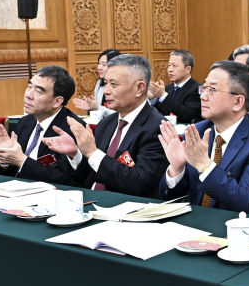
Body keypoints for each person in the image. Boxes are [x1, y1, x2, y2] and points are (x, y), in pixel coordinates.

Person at [158, 61, 249, 215]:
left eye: (212, 90)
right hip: (197, 222)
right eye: (203, 88)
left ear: (237, 102)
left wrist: (205, 165)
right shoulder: (198, 131)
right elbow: (169, 198)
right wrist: (177, 169)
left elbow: (247, 202)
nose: (203, 96)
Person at [43, 54, 166, 196]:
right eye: (105, 83)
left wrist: (92, 152)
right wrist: (75, 154)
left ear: (139, 88)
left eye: (114, 84)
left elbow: (139, 183)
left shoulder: (158, 128)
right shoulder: (106, 124)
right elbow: (91, 174)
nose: (106, 91)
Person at [0, 66, 85, 183]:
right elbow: (15, 173)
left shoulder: (73, 129)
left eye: (39, 91)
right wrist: (5, 159)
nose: (28, 95)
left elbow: (66, 179)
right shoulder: (25, 122)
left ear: (57, 101)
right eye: (29, 87)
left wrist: (22, 160)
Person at [149, 49, 201, 124]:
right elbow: (158, 113)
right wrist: (152, 99)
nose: (170, 70)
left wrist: (163, 96)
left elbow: (187, 114)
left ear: (188, 69)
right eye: (168, 65)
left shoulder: (197, 89)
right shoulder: (167, 88)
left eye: (174, 66)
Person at [74, 48, 121, 116]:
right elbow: (97, 109)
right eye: (99, 63)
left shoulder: (122, 86)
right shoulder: (99, 83)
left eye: (104, 64)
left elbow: (120, 114)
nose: (99, 67)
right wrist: (91, 108)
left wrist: (97, 107)